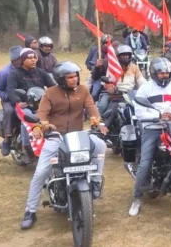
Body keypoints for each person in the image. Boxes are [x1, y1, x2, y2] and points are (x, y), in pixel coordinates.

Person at [19, 62, 107, 230]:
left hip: (78, 135)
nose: (74, 80)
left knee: (100, 145)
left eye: (76, 76)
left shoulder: (83, 90)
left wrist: (98, 122)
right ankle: (30, 211)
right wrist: (39, 126)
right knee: (41, 172)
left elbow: (91, 108)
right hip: (56, 137)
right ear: (61, 79)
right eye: (70, 77)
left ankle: (95, 181)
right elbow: (42, 112)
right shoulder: (50, 93)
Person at [128, 58, 171, 217]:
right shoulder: (145, 89)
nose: (165, 75)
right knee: (145, 163)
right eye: (161, 72)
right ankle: (137, 198)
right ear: (154, 73)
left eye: (167, 72)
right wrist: (159, 115)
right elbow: (139, 112)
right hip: (152, 128)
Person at [4, 48, 56, 160]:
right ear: (23, 60)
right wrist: (18, 101)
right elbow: (11, 90)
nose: (33, 60)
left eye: (34, 57)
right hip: (24, 105)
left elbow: (52, 86)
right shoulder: (14, 74)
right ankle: (25, 148)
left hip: (41, 104)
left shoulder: (41, 72)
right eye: (30, 58)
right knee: (27, 120)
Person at [92, 44, 146, 119]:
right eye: (123, 56)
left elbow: (141, 80)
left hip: (130, 95)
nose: (125, 57)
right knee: (102, 106)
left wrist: (146, 88)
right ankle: (98, 124)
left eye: (127, 55)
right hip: (115, 95)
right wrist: (111, 88)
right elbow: (107, 81)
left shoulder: (134, 68)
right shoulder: (113, 68)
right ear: (117, 57)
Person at [0, 46, 24, 150]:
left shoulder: (28, 70)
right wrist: (8, 97)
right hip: (9, 100)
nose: (21, 61)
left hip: (26, 99)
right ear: (13, 60)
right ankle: (7, 139)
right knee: (10, 111)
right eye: (19, 60)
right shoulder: (4, 72)